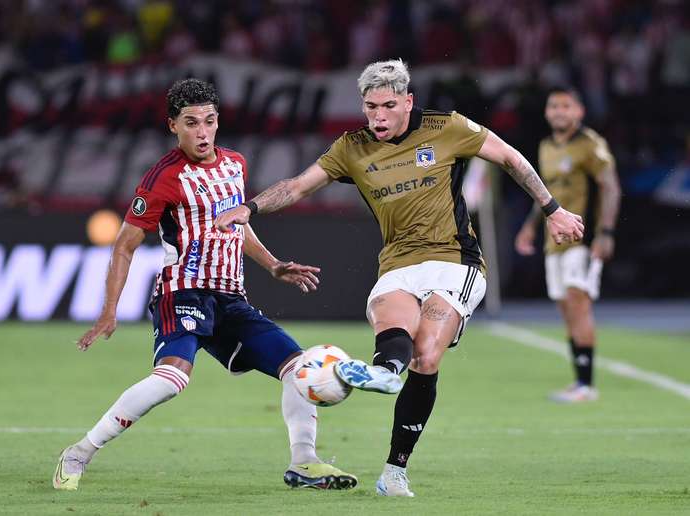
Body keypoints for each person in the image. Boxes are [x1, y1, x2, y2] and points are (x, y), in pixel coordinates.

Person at [215, 59, 584, 497]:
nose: (379, 117)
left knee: (426, 357)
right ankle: (384, 373)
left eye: (389, 105)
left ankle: (394, 471)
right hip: (397, 265)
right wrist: (250, 208)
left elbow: (509, 157)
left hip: (455, 263)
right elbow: (297, 186)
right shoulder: (352, 147)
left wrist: (552, 209)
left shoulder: (447, 127)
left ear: (408, 101)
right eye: (370, 107)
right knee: (393, 329)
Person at [52, 79, 357, 492]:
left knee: (299, 369)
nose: (202, 132)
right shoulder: (163, 178)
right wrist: (109, 310)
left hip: (231, 298)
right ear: (172, 126)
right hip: (183, 292)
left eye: (209, 121)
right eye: (191, 123)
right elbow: (124, 245)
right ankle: (80, 452)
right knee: (171, 379)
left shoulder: (235, 164)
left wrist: (272, 265)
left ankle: (304, 463)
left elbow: (237, 227)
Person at [514, 87, 620, 403]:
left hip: (582, 238)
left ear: (579, 112)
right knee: (565, 308)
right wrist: (530, 227)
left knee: (578, 303)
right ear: (547, 113)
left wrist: (606, 232)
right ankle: (579, 382)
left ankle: (587, 385)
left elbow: (611, 187)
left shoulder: (590, 144)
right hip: (554, 242)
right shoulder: (546, 146)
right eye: (554, 106)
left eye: (566, 106)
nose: (559, 111)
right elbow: (545, 195)